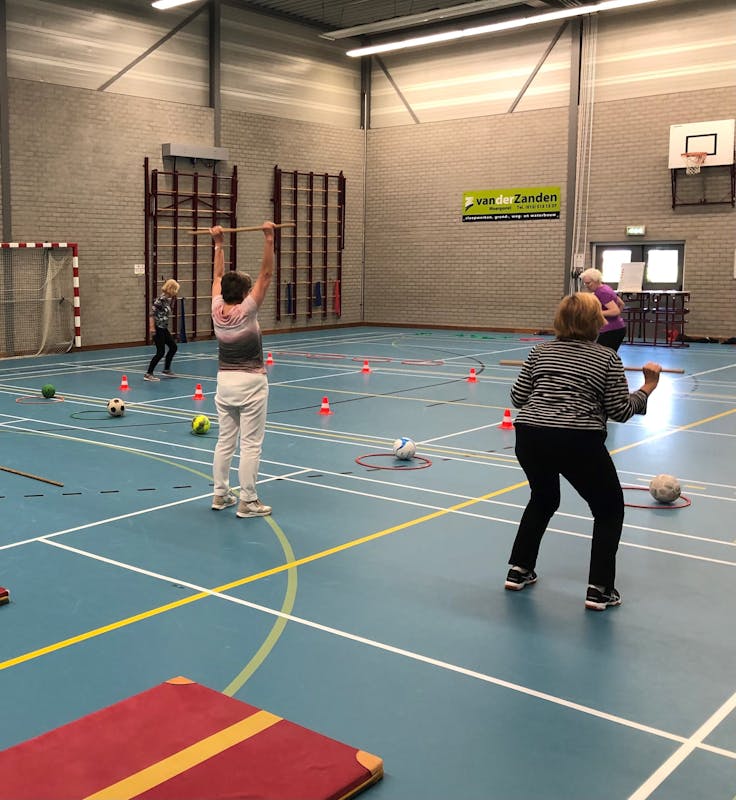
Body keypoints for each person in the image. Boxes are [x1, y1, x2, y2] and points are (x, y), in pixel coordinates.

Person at [504, 292, 662, 610]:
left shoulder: (539, 352)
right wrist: (648, 387)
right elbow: (620, 410)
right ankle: (600, 589)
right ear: (595, 323)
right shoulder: (606, 358)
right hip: (577, 440)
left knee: (543, 499)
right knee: (609, 511)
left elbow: (518, 398)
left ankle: (518, 569)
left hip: (531, 436)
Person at [209, 222, 274, 518]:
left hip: (224, 382)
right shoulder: (247, 310)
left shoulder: (216, 308)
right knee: (250, 445)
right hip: (251, 383)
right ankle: (248, 501)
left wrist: (219, 244)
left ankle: (220, 494)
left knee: (225, 441)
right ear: (246, 294)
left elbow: (217, 276)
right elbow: (266, 275)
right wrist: (269, 239)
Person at [580, 267, 626, 352]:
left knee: (601, 354)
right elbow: (621, 303)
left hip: (611, 331)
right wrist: (616, 320)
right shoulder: (606, 288)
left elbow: (615, 311)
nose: (586, 286)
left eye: (588, 283)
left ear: (596, 280)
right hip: (617, 328)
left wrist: (595, 313)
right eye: (585, 283)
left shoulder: (602, 292)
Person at [145, 278, 180, 381]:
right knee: (160, 352)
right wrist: (152, 328)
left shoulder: (168, 300)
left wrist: (174, 300)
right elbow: (151, 314)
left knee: (173, 347)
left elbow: (169, 311)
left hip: (164, 328)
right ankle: (148, 373)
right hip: (157, 328)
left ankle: (166, 369)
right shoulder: (160, 300)